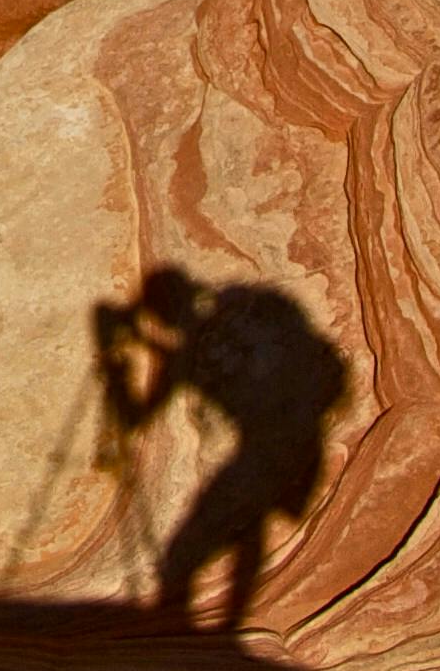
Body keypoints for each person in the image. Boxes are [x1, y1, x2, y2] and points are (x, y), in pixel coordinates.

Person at [89, 264, 347, 629]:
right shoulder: (231, 310)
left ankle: (215, 636)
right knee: (246, 522)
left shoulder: (187, 353)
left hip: (267, 451)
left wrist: (117, 371)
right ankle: (230, 630)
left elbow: (136, 418)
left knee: (182, 558)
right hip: (302, 444)